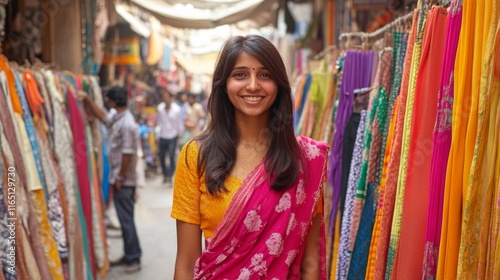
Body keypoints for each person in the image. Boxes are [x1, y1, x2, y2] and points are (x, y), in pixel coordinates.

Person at [171, 35, 329, 279]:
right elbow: (186, 262)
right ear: (224, 84)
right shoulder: (196, 155)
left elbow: (310, 263)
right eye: (240, 75)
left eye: (264, 75)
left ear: (278, 84)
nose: (253, 85)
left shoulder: (305, 160)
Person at [79, 86, 142, 273]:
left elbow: (128, 154)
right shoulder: (118, 118)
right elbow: (103, 117)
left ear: (113, 102)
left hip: (125, 180)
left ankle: (134, 259)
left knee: (126, 220)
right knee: (125, 220)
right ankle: (129, 255)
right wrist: (88, 101)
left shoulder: (127, 124)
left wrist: (120, 177)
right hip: (119, 178)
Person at [156, 87, 184, 184]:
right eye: (163, 97)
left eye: (166, 96)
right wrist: (157, 135)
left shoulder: (177, 109)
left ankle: (170, 175)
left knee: (172, 156)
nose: (165, 98)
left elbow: (179, 123)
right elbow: (158, 123)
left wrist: (179, 136)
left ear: (170, 97)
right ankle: (165, 173)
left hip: (173, 135)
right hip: (163, 135)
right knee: (162, 156)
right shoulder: (160, 108)